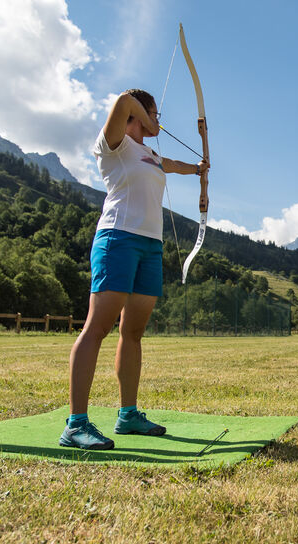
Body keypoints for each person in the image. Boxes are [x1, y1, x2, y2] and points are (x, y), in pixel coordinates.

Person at [59, 89, 208, 450]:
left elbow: (171, 164)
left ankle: (128, 415)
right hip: (118, 239)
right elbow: (124, 100)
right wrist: (146, 116)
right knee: (98, 327)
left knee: (134, 332)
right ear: (138, 115)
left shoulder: (150, 155)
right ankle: (75, 424)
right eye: (154, 114)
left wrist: (199, 169)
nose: (158, 122)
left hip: (150, 246)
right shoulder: (114, 144)